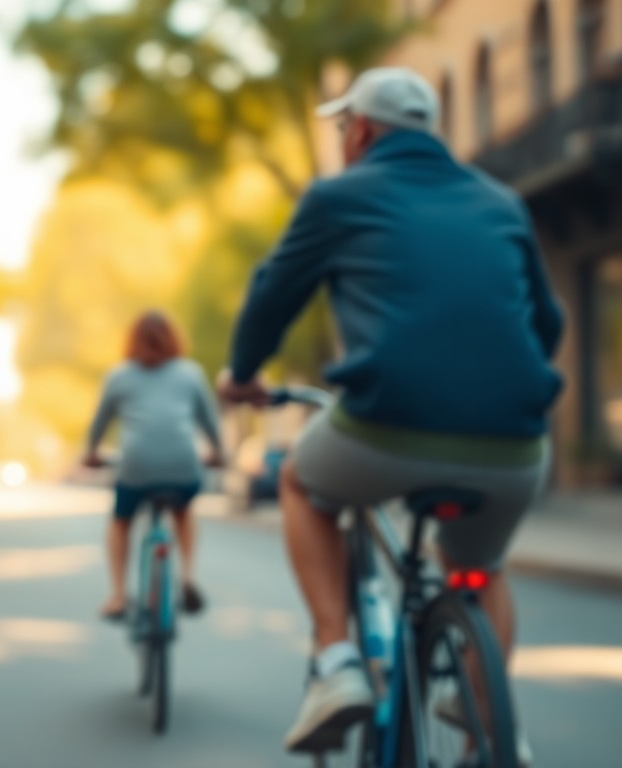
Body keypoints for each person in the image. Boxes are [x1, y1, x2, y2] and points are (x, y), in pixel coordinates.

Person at [218, 67, 563, 759]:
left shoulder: (337, 197)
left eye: (344, 127)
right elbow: (546, 326)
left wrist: (244, 374)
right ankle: (493, 725)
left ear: (363, 131)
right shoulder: (501, 201)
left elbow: (272, 295)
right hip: (517, 445)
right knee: (481, 566)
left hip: (387, 426)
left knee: (300, 484)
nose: (344, 139)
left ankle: (336, 662)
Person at [85, 310, 226, 621]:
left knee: (121, 522)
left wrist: (91, 453)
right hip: (182, 464)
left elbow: (99, 424)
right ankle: (188, 577)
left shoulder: (118, 375)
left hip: (136, 466)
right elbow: (210, 423)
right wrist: (219, 452)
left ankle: (119, 596)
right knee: (184, 509)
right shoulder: (191, 373)